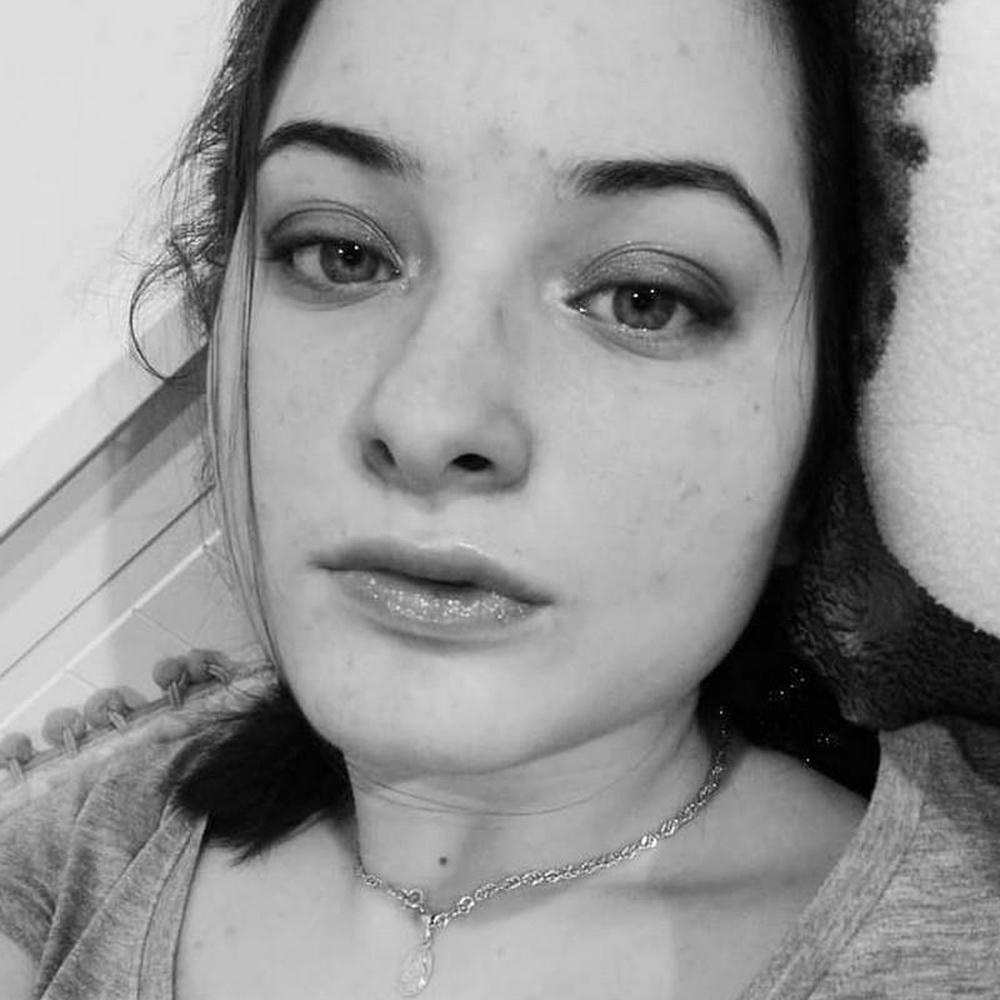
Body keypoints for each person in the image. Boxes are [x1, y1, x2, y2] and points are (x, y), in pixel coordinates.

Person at [1, 0, 998, 997]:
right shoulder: (80, 842)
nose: (426, 418)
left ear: (823, 448)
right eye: (342, 253)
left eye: (643, 299)